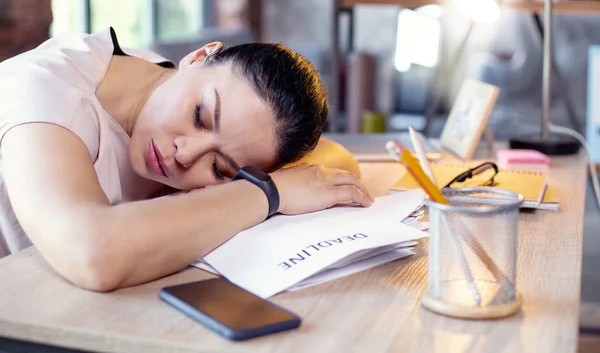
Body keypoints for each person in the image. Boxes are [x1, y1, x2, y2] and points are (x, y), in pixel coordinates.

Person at [0, 28, 373, 291]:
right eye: (201, 116)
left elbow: (334, 162)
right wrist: (268, 193)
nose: (185, 154)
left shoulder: (167, 80)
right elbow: (92, 254)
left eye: (220, 167)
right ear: (197, 57)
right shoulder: (44, 93)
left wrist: (270, 181)